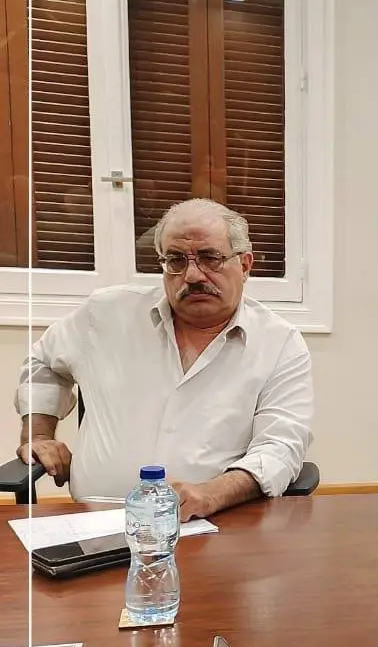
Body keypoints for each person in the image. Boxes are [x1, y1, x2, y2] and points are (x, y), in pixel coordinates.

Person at [14, 198, 313, 520]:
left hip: (214, 523)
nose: (193, 275)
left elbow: (281, 446)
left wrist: (213, 493)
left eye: (210, 258)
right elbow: (42, 362)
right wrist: (38, 435)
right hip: (95, 520)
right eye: (176, 260)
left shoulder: (279, 343)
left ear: (245, 265)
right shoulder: (106, 314)